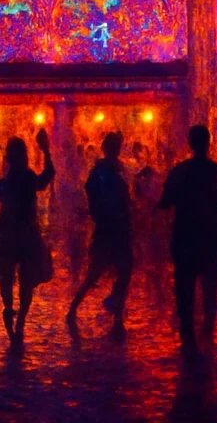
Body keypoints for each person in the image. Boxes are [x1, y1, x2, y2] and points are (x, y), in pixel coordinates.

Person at [159, 124, 217, 347]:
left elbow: (164, 203)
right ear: (209, 143)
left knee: (184, 289)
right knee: (210, 287)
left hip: (184, 238)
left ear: (189, 143)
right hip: (212, 238)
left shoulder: (179, 172)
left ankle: (188, 338)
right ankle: (208, 332)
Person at [0, 129, 55, 343]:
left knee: (6, 275)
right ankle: (21, 322)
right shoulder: (28, 177)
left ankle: (8, 307)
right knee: (27, 280)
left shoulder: (6, 182)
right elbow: (47, 177)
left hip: (7, 232)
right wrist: (46, 150)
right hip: (27, 233)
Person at [67, 131, 133, 339]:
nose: (117, 150)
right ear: (108, 148)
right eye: (115, 146)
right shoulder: (103, 170)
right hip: (110, 227)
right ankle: (74, 309)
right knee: (100, 272)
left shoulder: (114, 169)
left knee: (121, 272)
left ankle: (115, 317)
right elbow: (93, 193)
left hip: (115, 227)